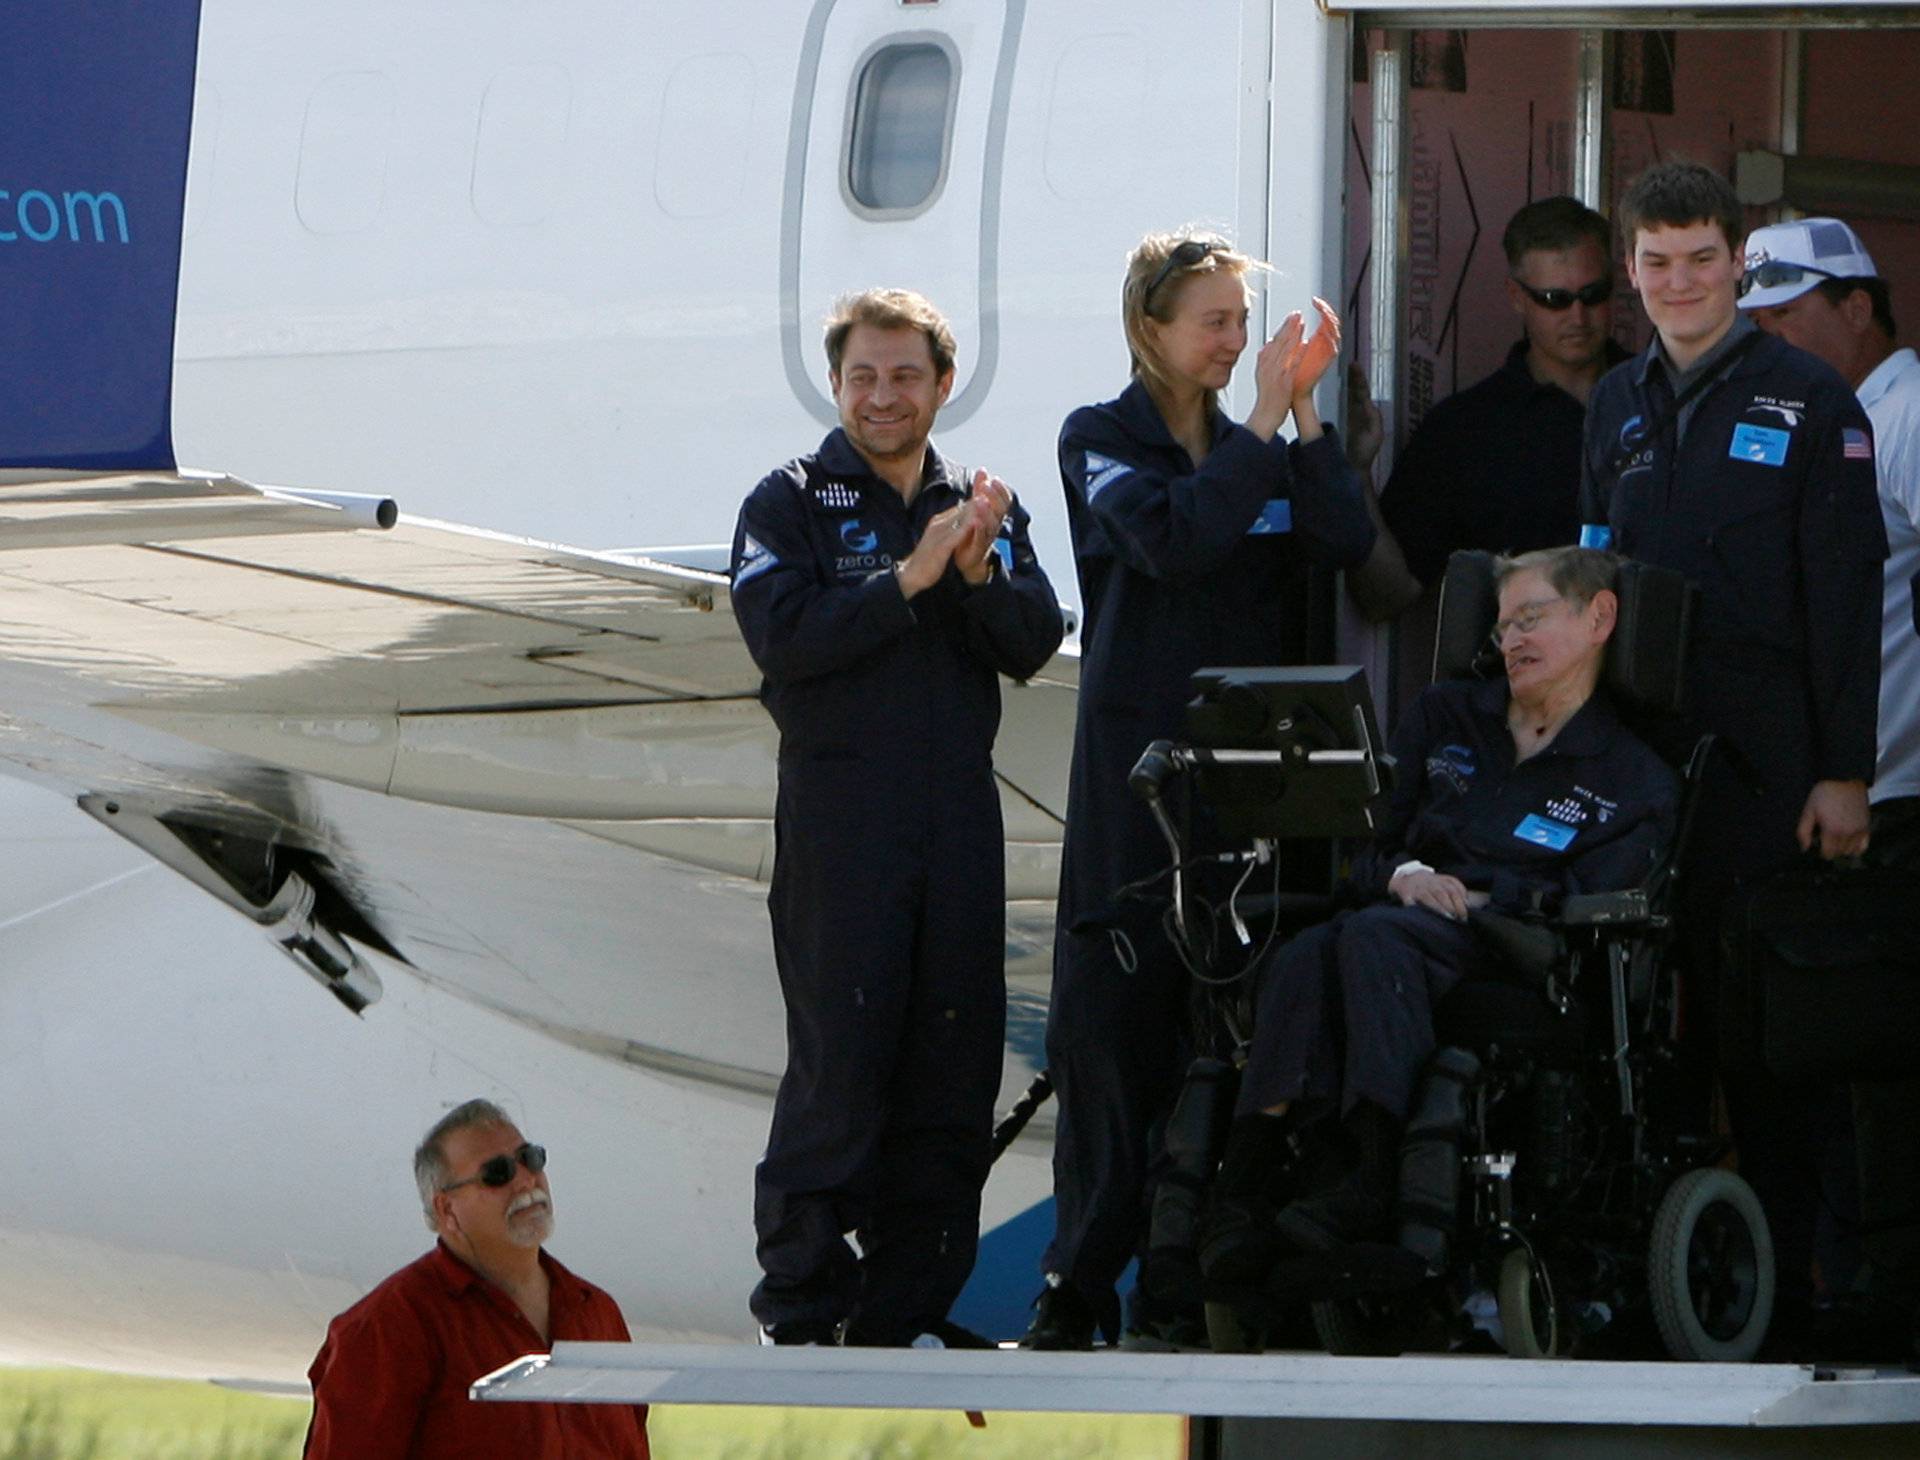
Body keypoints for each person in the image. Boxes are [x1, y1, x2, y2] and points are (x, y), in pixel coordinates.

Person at [1025, 231, 1375, 1350]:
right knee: (1114, 1037)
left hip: (1247, 795)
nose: (1236, 341)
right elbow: (1172, 541)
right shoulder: (1102, 439)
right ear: (1152, 331)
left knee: (1222, 1042)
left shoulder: (1261, 443)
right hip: (1140, 786)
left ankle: (1183, 1290)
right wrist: (1265, 428)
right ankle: (1077, 1286)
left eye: (1241, 319)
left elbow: (1345, 540)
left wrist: (1305, 416)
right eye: (1214, 321)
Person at [1578, 162, 1888, 1344]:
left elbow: (1848, 598)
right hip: (1641, 769)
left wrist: (1844, 769)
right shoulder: (1615, 405)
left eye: (1702, 260)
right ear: (1633, 270)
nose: (1679, 283)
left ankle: (1804, 1292)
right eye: (1656, 263)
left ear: (1737, 265)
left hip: (1772, 766)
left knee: (1771, 1038)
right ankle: (1667, 1288)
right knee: (1648, 1033)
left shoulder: (1813, 401)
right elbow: (1588, 578)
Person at [730, 288, 1064, 1348]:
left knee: (951, 1070)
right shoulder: (787, 502)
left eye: (906, 375)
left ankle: (907, 1307)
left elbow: (1034, 639)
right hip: (843, 816)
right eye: (865, 376)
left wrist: (970, 575)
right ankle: (803, 1301)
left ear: (943, 385)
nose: (884, 395)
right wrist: (909, 581)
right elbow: (784, 636)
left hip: (957, 818)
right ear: (835, 384)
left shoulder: (980, 503)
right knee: (844, 1057)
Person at [1201, 547, 1676, 1278]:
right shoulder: (1443, 717)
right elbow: (1362, 853)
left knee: (1372, 942)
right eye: (1501, 625)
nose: (1510, 639)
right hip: (1398, 921)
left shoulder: (1635, 774)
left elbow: (1596, 897)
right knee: (1304, 952)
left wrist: (1477, 898)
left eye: (1531, 618)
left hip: (1518, 949)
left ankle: (1371, 1175)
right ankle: (1246, 1188)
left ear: (1599, 617)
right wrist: (1407, 876)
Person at [1739, 215, 1920, 1354]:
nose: (1774, 337)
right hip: (1833, 806)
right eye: (1758, 320)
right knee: (1824, 1061)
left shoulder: (1904, 409)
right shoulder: (1811, 412)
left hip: (1895, 801)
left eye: (1794, 313)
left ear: (1860, 306)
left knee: (1876, 1065)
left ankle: (1878, 1294)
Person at [304, 1099, 649, 1459]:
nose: (526, 1180)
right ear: (446, 1210)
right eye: (497, 1173)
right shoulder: (386, 1327)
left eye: (530, 1158)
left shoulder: (598, 1313)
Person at [1349, 196, 1629, 622]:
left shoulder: (1664, 401)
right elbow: (1390, 593)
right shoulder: (1465, 431)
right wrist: (1356, 474)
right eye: (1555, 298)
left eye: (1593, 294)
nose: (1578, 314)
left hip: (1652, 678)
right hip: (1515, 681)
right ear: (1516, 296)